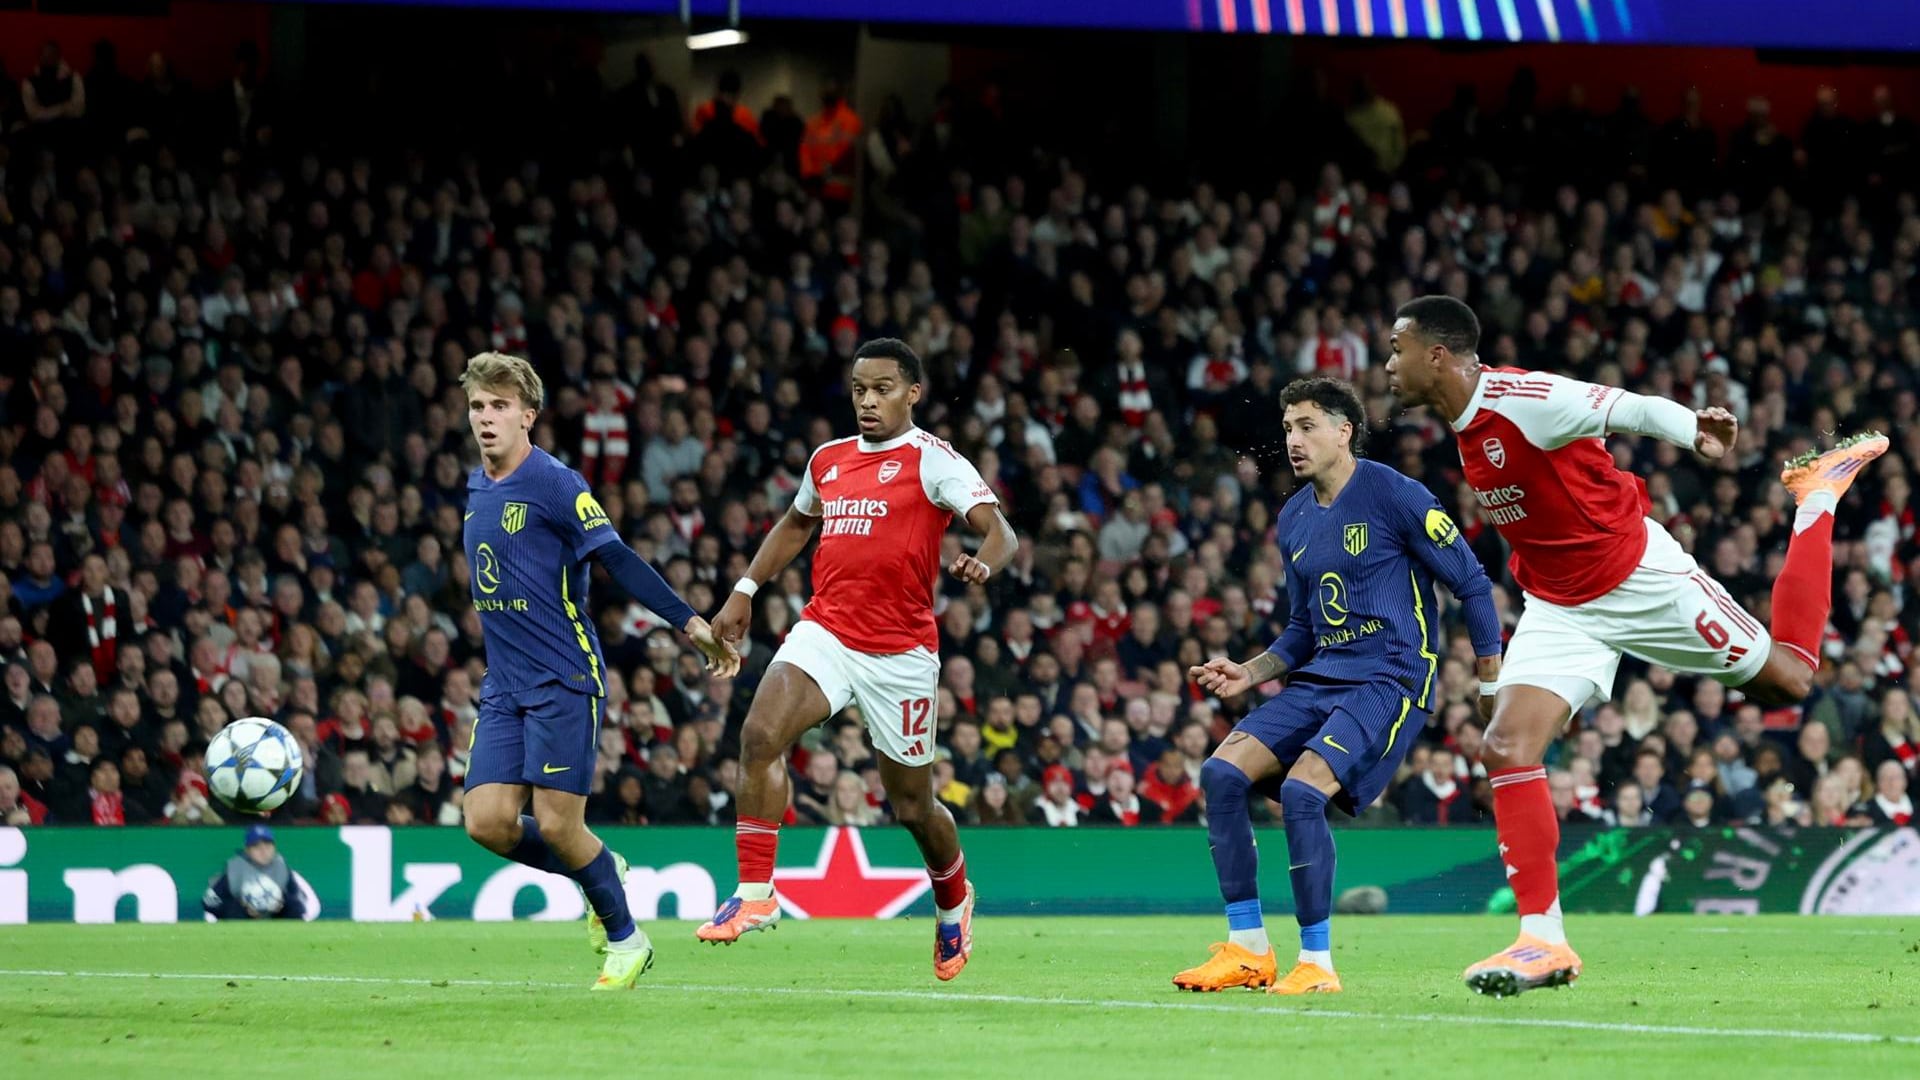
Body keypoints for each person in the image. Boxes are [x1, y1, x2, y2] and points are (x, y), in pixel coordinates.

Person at [1387, 294, 1885, 996]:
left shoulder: (1526, 398)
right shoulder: (1462, 425)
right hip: (1560, 606)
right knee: (1504, 749)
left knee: (1791, 680)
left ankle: (1817, 498)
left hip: (1640, 581)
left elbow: (1628, 407)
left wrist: (1695, 432)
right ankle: (1542, 940)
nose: (1386, 364)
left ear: (1435, 354)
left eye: (1395, 348)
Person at [697, 338, 1018, 982]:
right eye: (859, 390)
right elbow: (794, 525)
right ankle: (756, 896)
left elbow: (999, 529)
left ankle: (954, 897)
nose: (867, 402)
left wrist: (985, 560)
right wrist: (744, 590)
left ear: (912, 393)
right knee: (760, 733)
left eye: (881, 389)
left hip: (900, 654)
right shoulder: (828, 460)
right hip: (826, 630)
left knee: (913, 806)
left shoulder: (933, 461)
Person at [1175, 378, 1503, 996]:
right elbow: (1303, 626)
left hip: (1390, 673)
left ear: (1343, 430)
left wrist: (1490, 686)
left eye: (1306, 426)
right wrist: (1251, 671)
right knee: (1220, 775)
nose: (1293, 441)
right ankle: (1248, 950)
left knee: (1301, 793)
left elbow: (1473, 584)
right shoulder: (1294, 517)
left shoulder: (1395, 493)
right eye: (1288, 428)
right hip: (1321, 674)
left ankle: (1318, 963)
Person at [456, 351, 738, 991]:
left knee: (558, 824)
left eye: (500, 405)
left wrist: (691, 625)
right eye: (478, 406)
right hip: (503, 685)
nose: (486, 417)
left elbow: (618, 558)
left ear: (529, 415)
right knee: (486, 822)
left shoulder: (557, 483)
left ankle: (627, 940)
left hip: (562, 676)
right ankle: (601, 868)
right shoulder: (476, 488)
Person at [203, 824, 308, 921]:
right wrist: (240, 907)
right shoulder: (235, 869)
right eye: (256, 846)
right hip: (243, 920)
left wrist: (282, 903)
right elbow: (209, 901)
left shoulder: (281, 867)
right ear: (247, 850)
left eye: (267, 846)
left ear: (274, 847)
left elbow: (299, 899)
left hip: (276, 917)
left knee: (294, 907)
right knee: (234, 909)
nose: (263, 851)